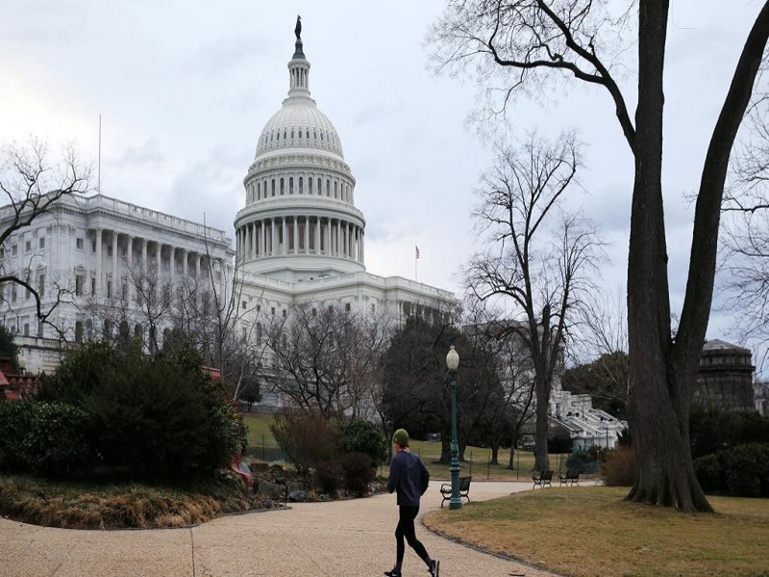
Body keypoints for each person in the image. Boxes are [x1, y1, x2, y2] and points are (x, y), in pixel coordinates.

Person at [385, 428, 439, 577]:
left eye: (395, 442)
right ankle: (397, 570)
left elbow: (392, 483)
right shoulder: (414, 458)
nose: (394, 445)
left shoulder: (397, 459)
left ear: (397, 442)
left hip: (406, 505)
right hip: (414, 503)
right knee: (399, 534)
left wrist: (389, 487)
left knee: (411, 539)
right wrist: (419, 492)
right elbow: (426, 475)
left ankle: (431, 563)